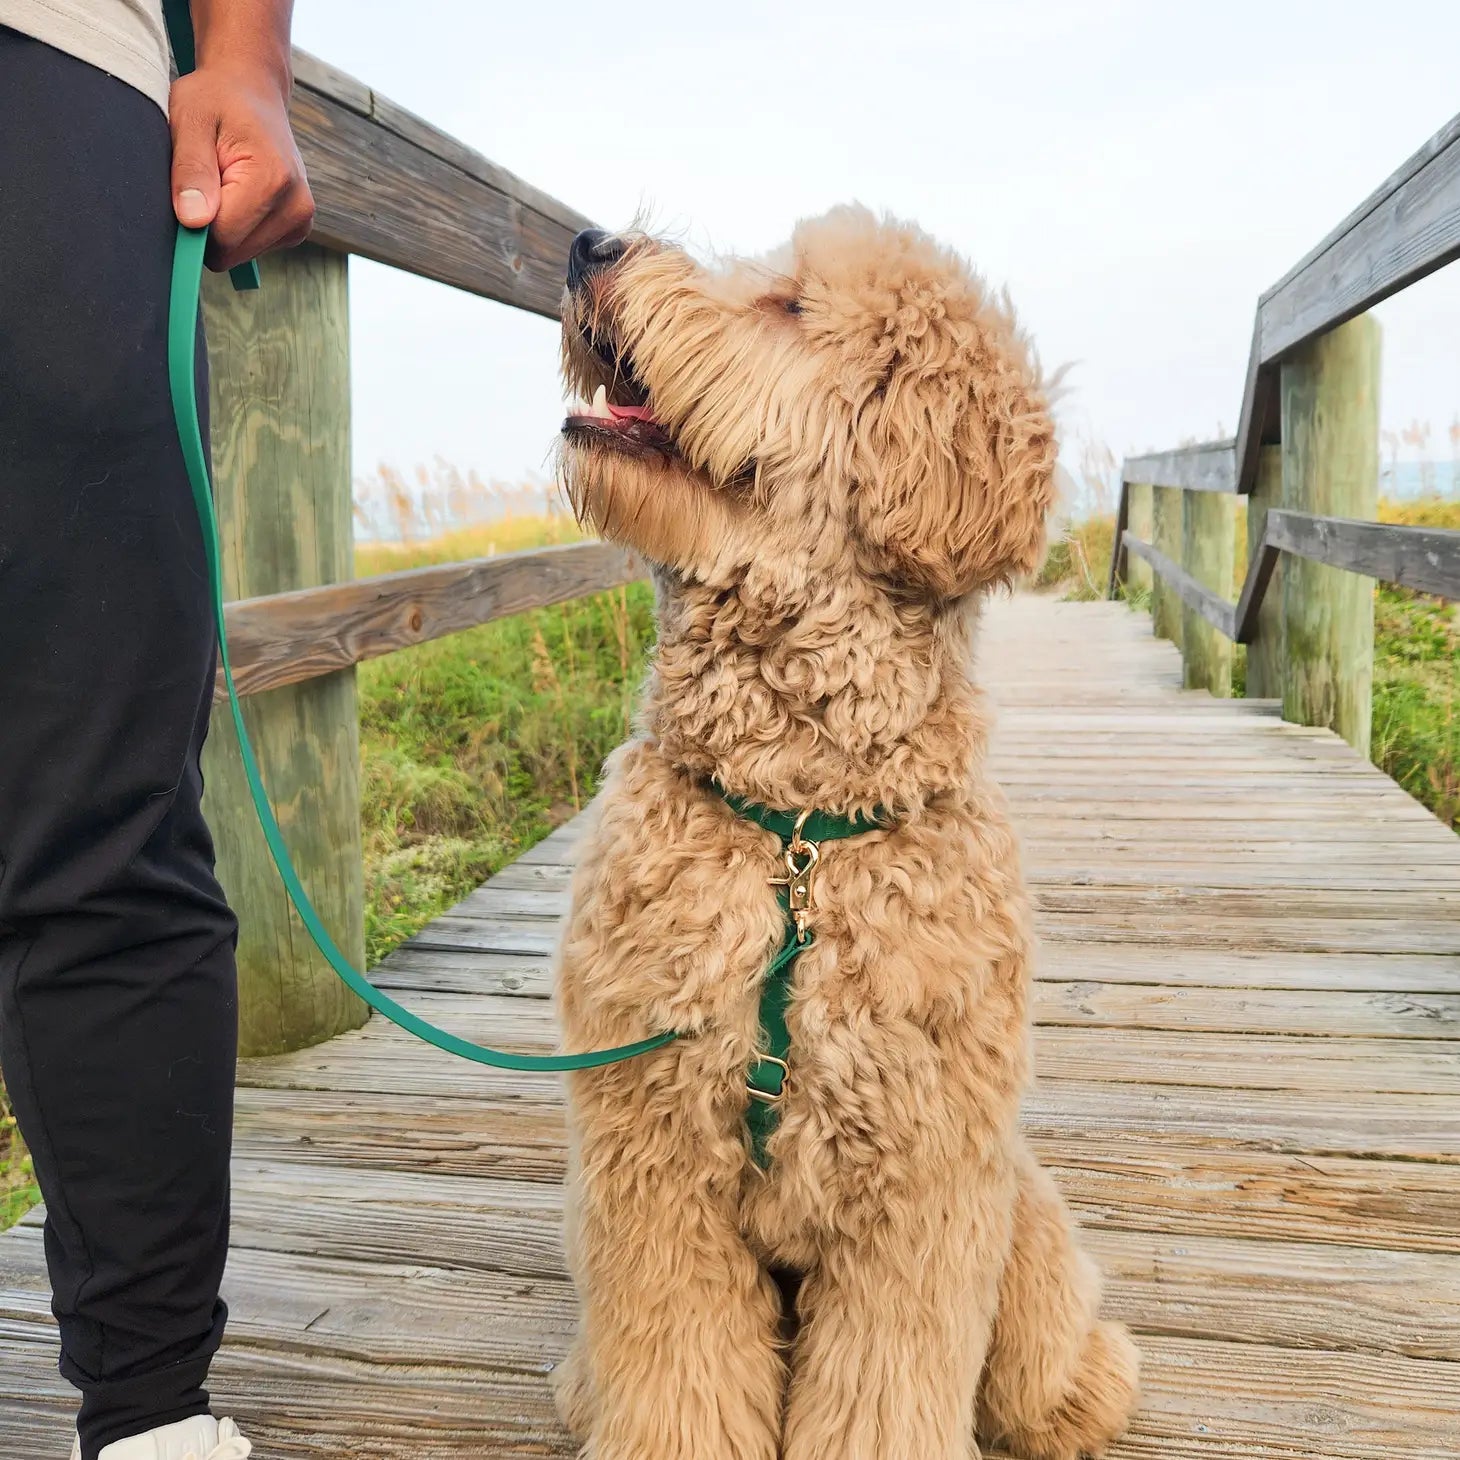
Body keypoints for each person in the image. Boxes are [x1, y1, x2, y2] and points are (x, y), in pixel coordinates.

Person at [0, 2, 315, 1456]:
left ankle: (147, 1414)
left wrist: (244, 57)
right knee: (104, 822)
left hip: (52, 70)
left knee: (104, 810)